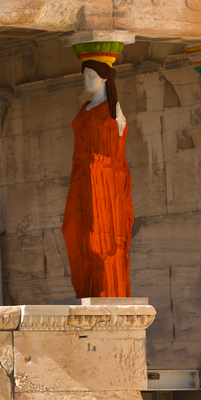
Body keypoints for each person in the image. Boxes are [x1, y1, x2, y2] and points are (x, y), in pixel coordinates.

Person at [61, 47, 133, 298]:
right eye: (84, 76)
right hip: (83, 180)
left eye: (91, 76)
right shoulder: (84, 109)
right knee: (74, 231)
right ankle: (88, 287)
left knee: (102, 240)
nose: (86, 81)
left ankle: (107, 288)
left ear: (104, 78)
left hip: (104, 182)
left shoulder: (114, 110)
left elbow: (116, 153)